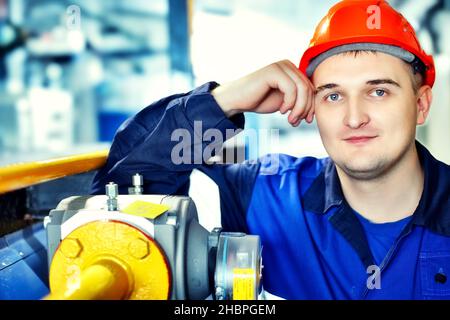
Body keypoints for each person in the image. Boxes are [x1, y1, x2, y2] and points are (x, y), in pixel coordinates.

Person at [92, 0, 450, 299]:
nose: (354, 118)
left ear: (421, 104)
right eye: (334, 95)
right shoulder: (266, 195)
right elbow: (129, 189)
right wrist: (222, 101)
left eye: (378, 92)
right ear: (313, 106)